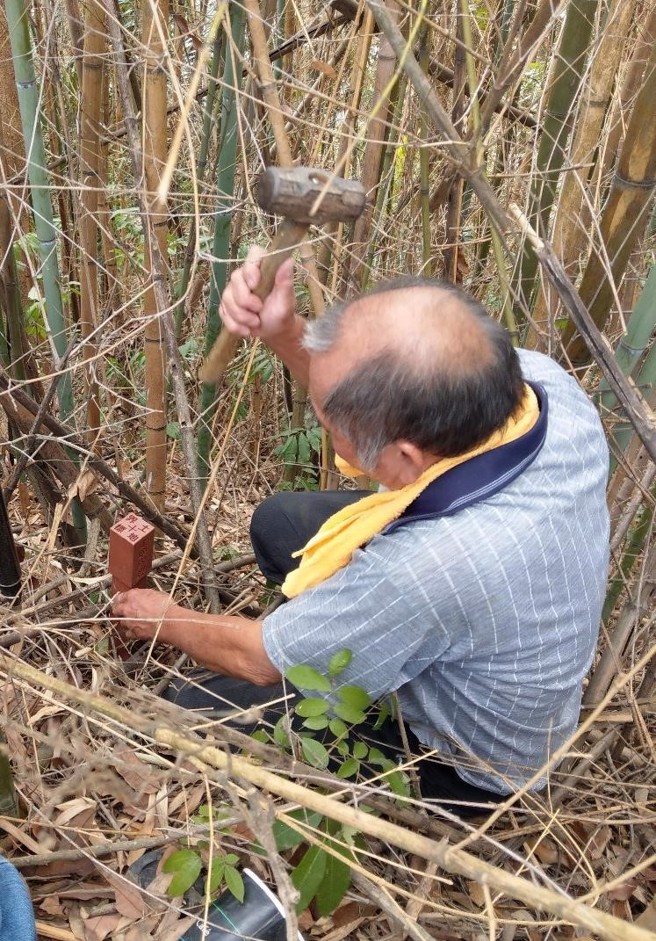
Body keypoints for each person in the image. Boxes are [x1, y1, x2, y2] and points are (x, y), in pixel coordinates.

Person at [112, 248, 610, 817]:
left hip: (466, 763)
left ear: (405, 456)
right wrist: (284, 332)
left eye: (330, 426)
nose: (326, 432)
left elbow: (257, 660)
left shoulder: (428, 570)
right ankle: (340, 636)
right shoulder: (541, 387)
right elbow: (367, 397)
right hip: (484, 603)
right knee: (280, 525)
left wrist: (162, 618)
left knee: (197, 703)